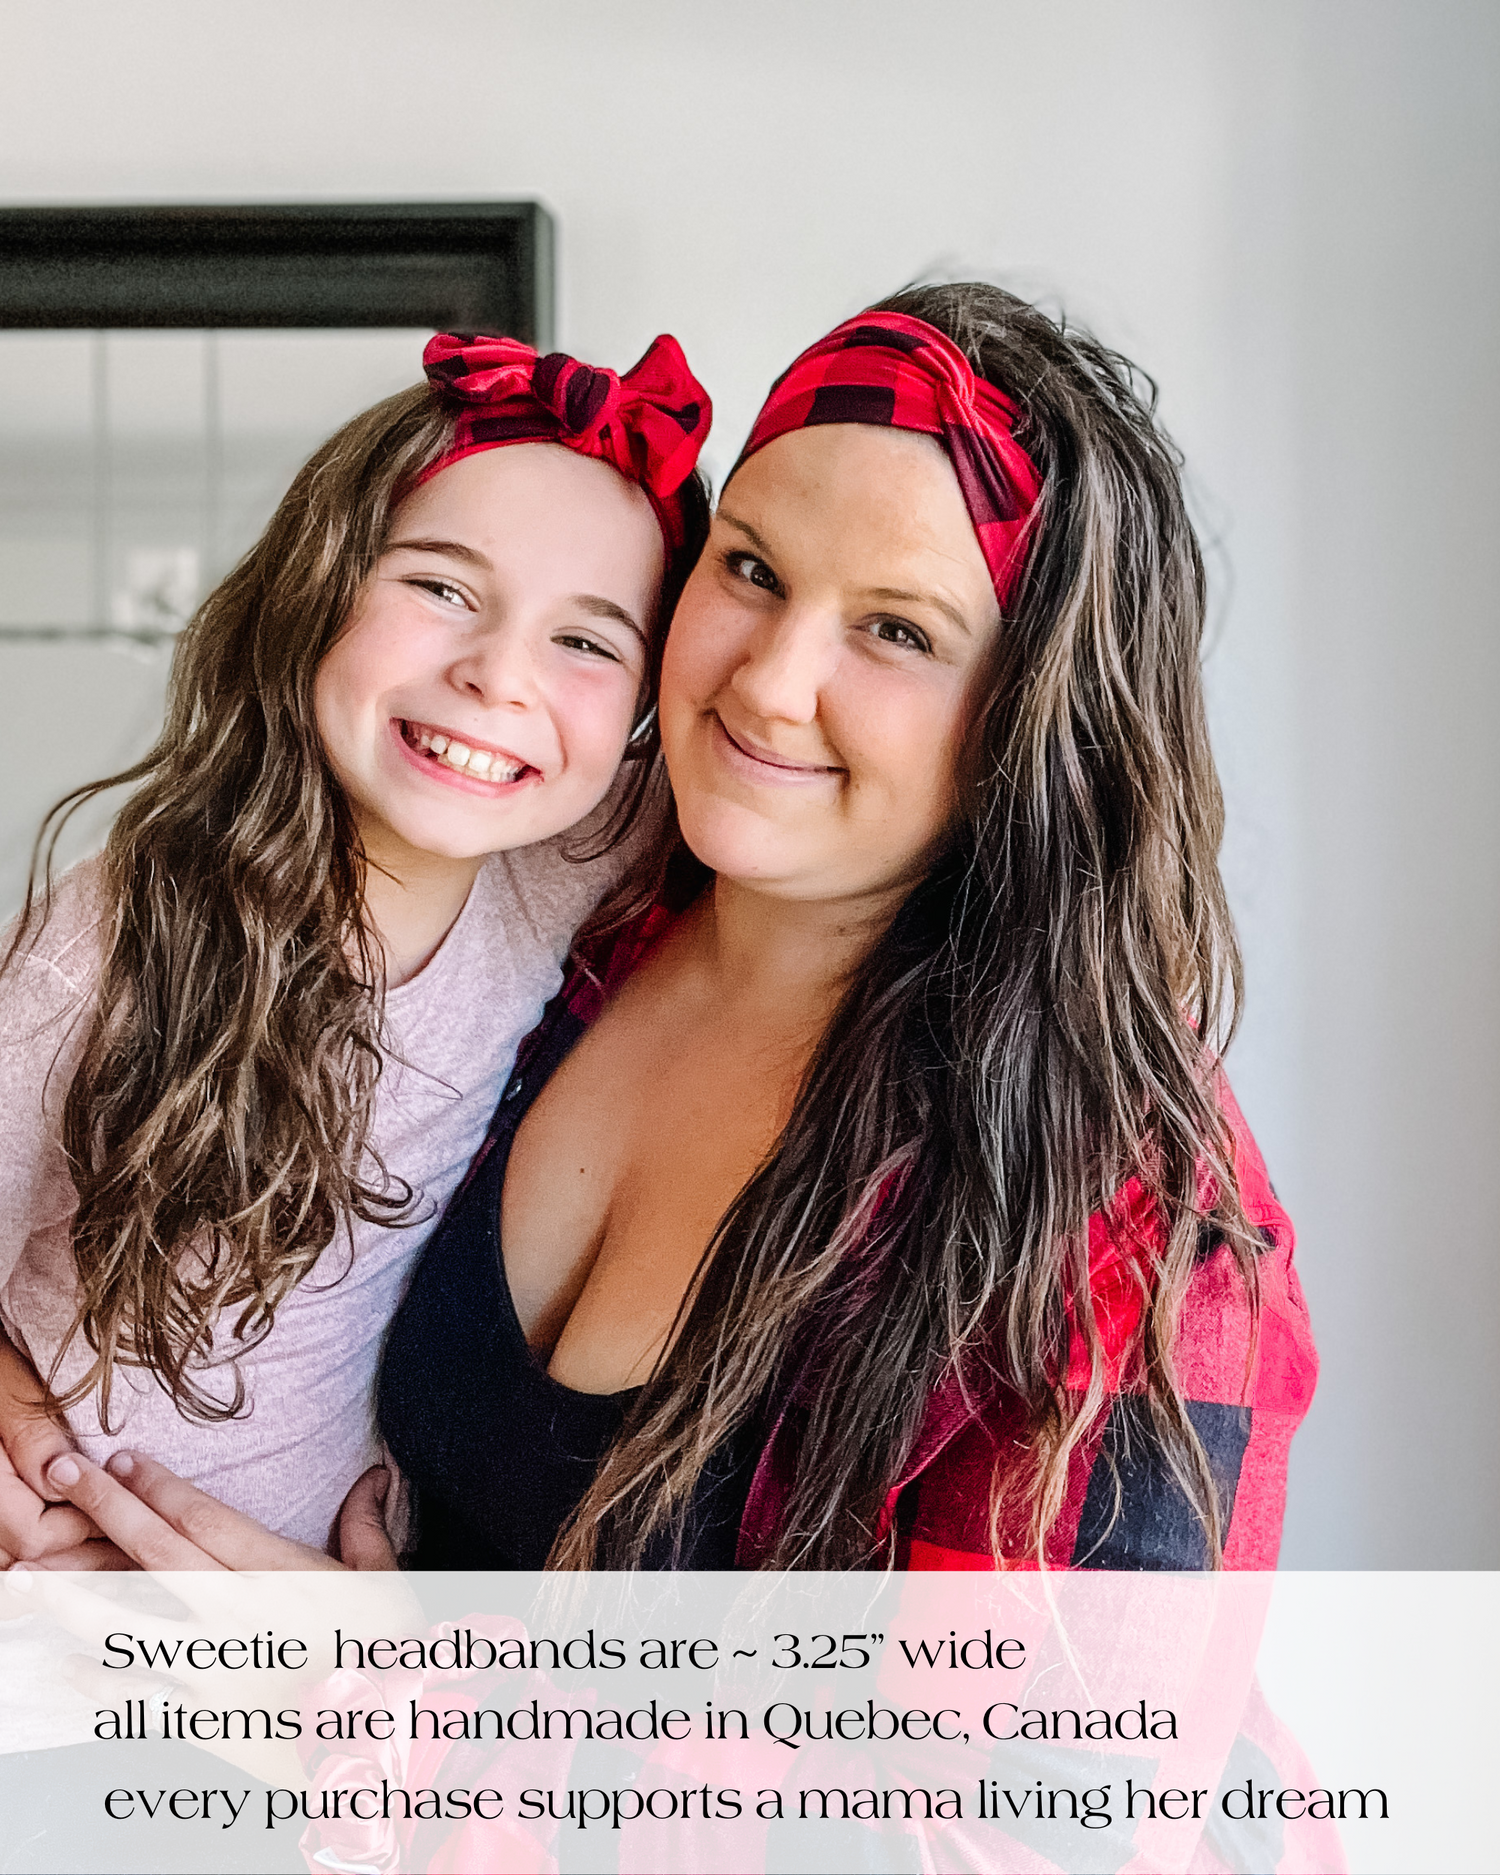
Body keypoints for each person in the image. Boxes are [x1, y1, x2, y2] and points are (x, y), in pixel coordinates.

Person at [32, 282, 1316, 1582]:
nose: (766, 680)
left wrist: (365, 1702)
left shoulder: (1129, 1222)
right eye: (752, 567)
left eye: (897, 629)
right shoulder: (568, 906)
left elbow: (1047, 1784)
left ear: (1036, 722)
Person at [0, 329, 711, 1566]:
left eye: (588, 641)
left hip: (341, 1678)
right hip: (72, 1629)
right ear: (314, 585)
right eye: (441, 586)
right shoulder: (106, 946)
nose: (499, 677)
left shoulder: (552, 869)